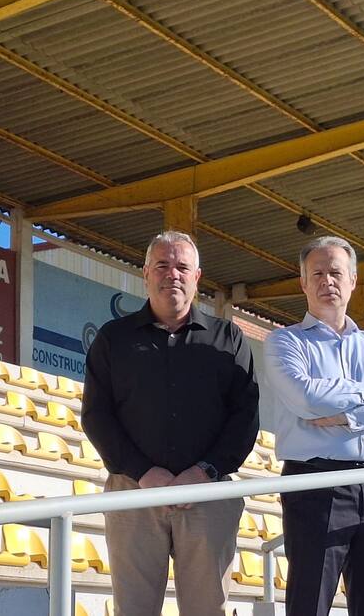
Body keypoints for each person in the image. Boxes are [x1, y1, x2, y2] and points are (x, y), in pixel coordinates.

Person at [82, 230, 260, 616]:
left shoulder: (228, 338)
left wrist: (205, 471)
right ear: (145, 274)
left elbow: (245, 418)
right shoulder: (115, 339)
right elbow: (97, 415)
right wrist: (144, 473)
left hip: (208, 495)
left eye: (182, 267)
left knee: (207, 609)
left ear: (197, 277)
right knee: (134, 609)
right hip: (134, 492)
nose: (172, 274)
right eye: (162, 265)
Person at [261, 235, 364, 616]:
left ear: (352, 280)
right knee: (311, 602)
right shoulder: (285, 342)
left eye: (335, 272)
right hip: (316, 485)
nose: (326, 281)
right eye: (316, 273)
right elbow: (306, 398)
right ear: (303, 283)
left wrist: (352, 417)